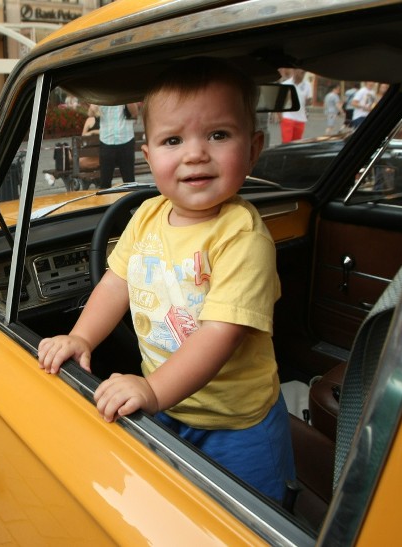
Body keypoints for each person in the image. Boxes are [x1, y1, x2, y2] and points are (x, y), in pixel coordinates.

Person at [38, 57, 295, 501]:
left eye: (218, 134)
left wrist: (153, 389)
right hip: (166, 405)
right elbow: (116, 283)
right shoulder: (147, 216)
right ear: (149, 155)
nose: (195, 153)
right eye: (173, 139)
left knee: (249, 519)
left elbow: (220, 332)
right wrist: (82, 338)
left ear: (253, 149)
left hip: (237, 425)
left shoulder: (243, 237)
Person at [97, 103, 139, 189]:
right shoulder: (102, 93)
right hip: (107, 139)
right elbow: (92, 112)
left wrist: (125, 97)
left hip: (126, 138)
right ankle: (105, 202)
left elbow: (135, 114)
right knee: (105, 181)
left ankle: (132, 201)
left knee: (129, 180)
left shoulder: (125, 92)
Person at [280, 68, 312, 142]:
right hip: (287, 117)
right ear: (294, 71)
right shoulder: (286, 84)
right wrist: (280, 117)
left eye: (304, 73)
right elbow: (279, 102)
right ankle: (285, 153)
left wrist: (309, 101)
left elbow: (308, 102)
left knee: (296, 143)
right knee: (286, 142)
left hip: (301, 118)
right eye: (301, 72)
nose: (303, 74)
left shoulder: (307, 85)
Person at [79, 104, 101, 171]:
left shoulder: (90, 120)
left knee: (73, 158)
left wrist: (92, 132)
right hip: (104, 154)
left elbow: (81, 139)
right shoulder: (107, 121)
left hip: (92, 155)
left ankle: (53, 176)